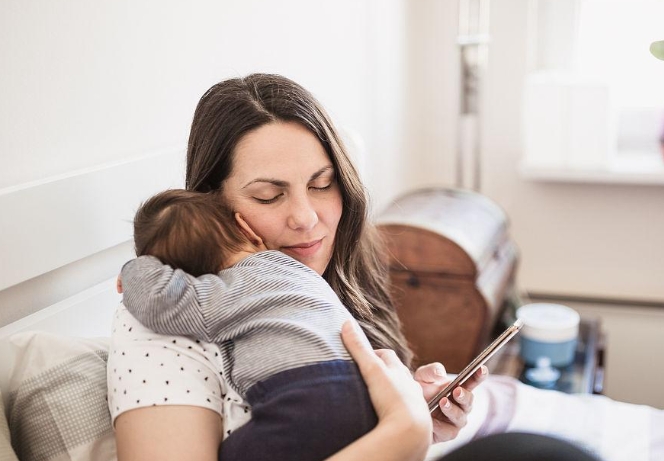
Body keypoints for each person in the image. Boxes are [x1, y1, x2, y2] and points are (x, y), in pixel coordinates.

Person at [108, 73, 599, 461]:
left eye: (322, 184)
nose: (306, 218)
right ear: (212, 204)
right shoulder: (162, 329)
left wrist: (408, 407)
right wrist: (399, 437)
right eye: (268, 195)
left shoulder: (318, 282)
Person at [119, 187, 382, 460]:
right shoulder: (297, 267)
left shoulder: (219, 293)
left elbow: (159, 302)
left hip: (304, 398)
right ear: (247, 230)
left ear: (187, 276)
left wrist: (136, 270)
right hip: (364, 393)